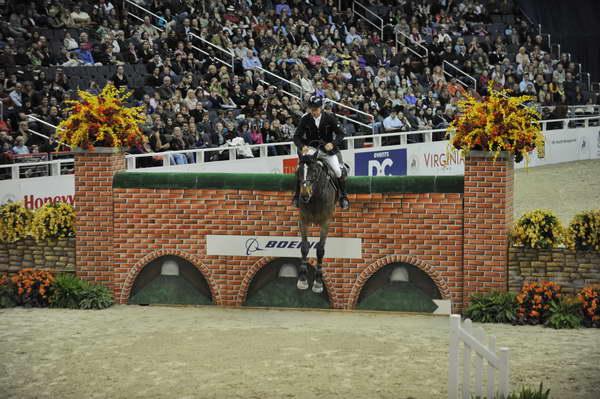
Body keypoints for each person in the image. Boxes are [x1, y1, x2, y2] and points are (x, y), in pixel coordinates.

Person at [292, 95, 349, 209]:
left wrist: (332, 143)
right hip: (311, 149)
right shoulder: (305, 119)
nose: (313, 112)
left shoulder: (330, 117)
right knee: (300, 169)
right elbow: (296, 137)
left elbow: (341, 134)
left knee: (337, 171)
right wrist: (302, 146)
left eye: (316, 110)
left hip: (327, 150)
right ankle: (296, 196)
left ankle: (343, 196)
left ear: (321, 108)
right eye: (312, 109)